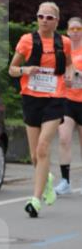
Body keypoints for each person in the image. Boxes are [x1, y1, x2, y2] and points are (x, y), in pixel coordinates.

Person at [8, 2, 73, 218]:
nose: (44, 20)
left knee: (43, 147)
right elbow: (12, 69)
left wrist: (70, 74)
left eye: (49, 17)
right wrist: (25, 69)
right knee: (35, 155)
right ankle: (47, 180)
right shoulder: (27, 40)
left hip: (55, 99)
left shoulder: (64, 43)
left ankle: (35, 200)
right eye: (41, 16)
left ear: (57, 21)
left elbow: (69, 64)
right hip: (31, 99)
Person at [55, 16, 82, 195]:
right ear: (67, 31)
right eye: (72, 29)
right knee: (64, 138)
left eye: (78, 29)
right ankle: (65, 181)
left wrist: (77, 74)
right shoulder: (63, 51)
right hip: (67, 100)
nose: (75, 32)